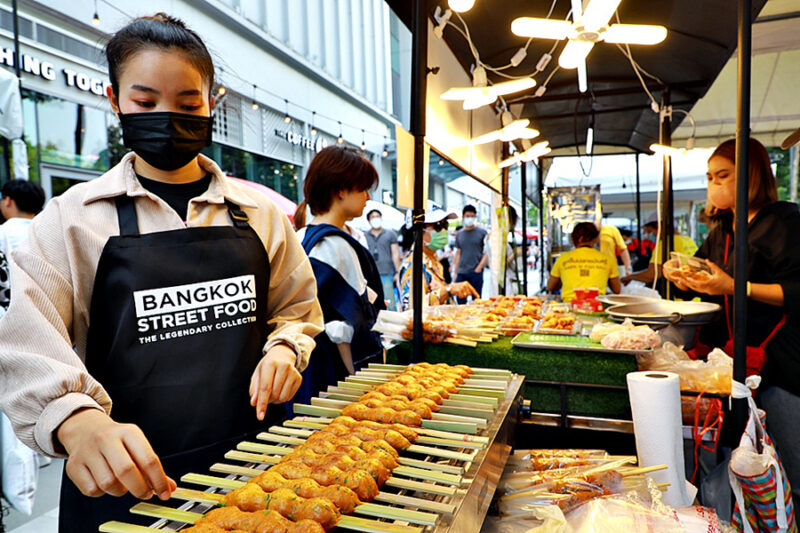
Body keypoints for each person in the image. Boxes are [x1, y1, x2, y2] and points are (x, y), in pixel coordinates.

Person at [0, 14, 323, 532]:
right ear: (114, 100)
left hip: (259, 472)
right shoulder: (73, 218)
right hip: (123, 485)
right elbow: (25, 342)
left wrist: (286, 348)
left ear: (212, 104)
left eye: (189, 104)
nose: (168, 117)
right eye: (145, 103)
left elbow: (296, 308)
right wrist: (75, 419)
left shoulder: (258, 215)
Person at [663, 137, 800, 510]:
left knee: (790, 468)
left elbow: (796, 290)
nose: (713, 184)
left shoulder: (785, 221)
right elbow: (706, 277)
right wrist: (681, 275)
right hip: (730, 365)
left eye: (723, 175)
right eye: (709, 177)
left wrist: (736, 285)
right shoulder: (723, 228)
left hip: (780, 366)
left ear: (752, 175)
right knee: (737, 460)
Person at [294, 146, 385, 404]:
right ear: (341, 190)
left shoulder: (301, 236)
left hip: (303, 366)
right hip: (332, 377)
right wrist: (364, 386)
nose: (368, 197)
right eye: (363, 188)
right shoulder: (337, 246)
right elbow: (346, 329)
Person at [398, 202, 478, 311]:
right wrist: (449, 290)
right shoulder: (413, 265)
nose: (444, 231)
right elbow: (412, 308)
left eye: (445, 225)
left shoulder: (433, 261)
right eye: (438, 226)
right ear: (418, 230)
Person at [547, 222, 621, 303]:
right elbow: (617, 290)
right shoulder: (607, 259)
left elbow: (550, 287)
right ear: (596, 238)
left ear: (572, 239)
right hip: (596, 307)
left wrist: (565, 279)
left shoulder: (563, 258)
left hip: (570, 306)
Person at [623, 212, 698, 285]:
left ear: (659, 227)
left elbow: (653, 274)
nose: (654, 235)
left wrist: (630, 277)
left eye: (652, 231)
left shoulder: (665, 243)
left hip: (676, 295)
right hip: (693, 291)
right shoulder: (687, 239)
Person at [365, 208, 401, 310]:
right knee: (373, 301)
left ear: (381, 218)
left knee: (389, 300)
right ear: (369, 220)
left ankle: (392, 322)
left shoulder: (390, 234)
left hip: (387, 272)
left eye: (377, 216)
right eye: (373, 217)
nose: (375, 219)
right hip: (370, 274)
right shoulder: (364, 235)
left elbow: (395, 253)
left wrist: (397, 271)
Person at [453, 204, 488, 302]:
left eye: (472, 216)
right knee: (460, 301)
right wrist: (455, 272)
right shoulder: (459, 234)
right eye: (468, 216)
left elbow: (487, 252)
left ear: (475, 217)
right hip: (462, 272)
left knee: (476, 300)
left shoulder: (482, 232)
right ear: (463, 217)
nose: (470, 219)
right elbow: (458, 253)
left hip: (476, 272)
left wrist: (479, 267)